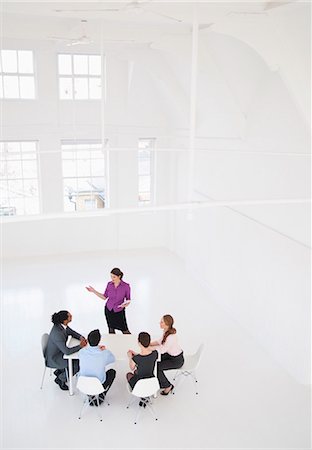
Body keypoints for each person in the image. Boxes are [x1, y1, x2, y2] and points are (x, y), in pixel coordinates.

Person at [45, 310, 87, 391]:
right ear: (65, 320)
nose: (71, 316)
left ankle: (61, 371)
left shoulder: (62, 326)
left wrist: (80, 337)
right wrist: (80, 346)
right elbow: (67, 352)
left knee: (77, 360)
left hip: (58, 352)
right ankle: (61, 379)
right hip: (54, 358)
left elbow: (71, 332)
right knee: (77, 366)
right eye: (70, 316)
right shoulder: (57, 333)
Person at [86, 267, 131, 334]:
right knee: (111, 330)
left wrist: (126, 304)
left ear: (119, 276)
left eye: (114, 277)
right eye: (111, 277)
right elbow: (104, 297)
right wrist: (93, 291)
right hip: (109, 310)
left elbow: (128, 299)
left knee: (125, 331)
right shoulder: (109, 285)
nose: (112, 279)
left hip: (119, 311)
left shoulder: (126, 286)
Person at [79, 329, 116, 405]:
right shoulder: (104, 353)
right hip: (98, 385)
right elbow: (113, 359)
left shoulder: (82, 352)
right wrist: (104, 350)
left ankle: (90, 395)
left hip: (83, 384)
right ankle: (101, 395)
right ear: (99, 341)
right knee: (112, 372)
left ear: (88, 340)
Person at [150, 315, 184, 395]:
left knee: (157, 367)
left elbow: (162, 350)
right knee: (153, 362)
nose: (160, 323)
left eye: (162, 322)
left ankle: (168, 386)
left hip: (176, 360)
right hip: (169, 355)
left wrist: (150, 348)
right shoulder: (166, 331)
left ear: (167, 324)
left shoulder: (171, 337)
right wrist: (150, 344)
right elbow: (160, 341)